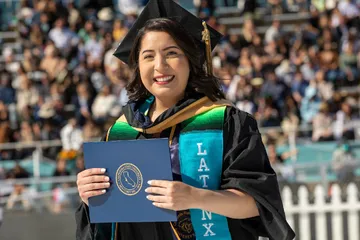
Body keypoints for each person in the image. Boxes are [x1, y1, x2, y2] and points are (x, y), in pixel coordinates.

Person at [75, 0, 295, 239]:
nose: (160, 66)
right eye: (148, 56)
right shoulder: (120, 132)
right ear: (137, 65)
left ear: (191, 60)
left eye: (171, 53)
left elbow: (257, 204)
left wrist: (194, 197)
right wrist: (89, 196)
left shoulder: (226, 122)